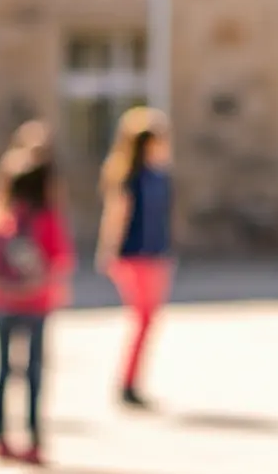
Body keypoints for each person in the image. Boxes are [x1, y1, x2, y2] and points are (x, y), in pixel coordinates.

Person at [0, 147, 75, 465]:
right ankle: (34, 438)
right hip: (37, 303)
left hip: (0, 302)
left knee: (1, 371)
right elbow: (61, 258)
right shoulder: (46, 216)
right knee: (34, 373)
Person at [95, 107, 174, 409]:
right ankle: (127, 382)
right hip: (133, 254)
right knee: (141, 320)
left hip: (156, 253)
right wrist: (108, 250)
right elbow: (117, 215)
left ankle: (133, 379)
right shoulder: (130, 177)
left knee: (148, 320)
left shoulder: (160, 175)